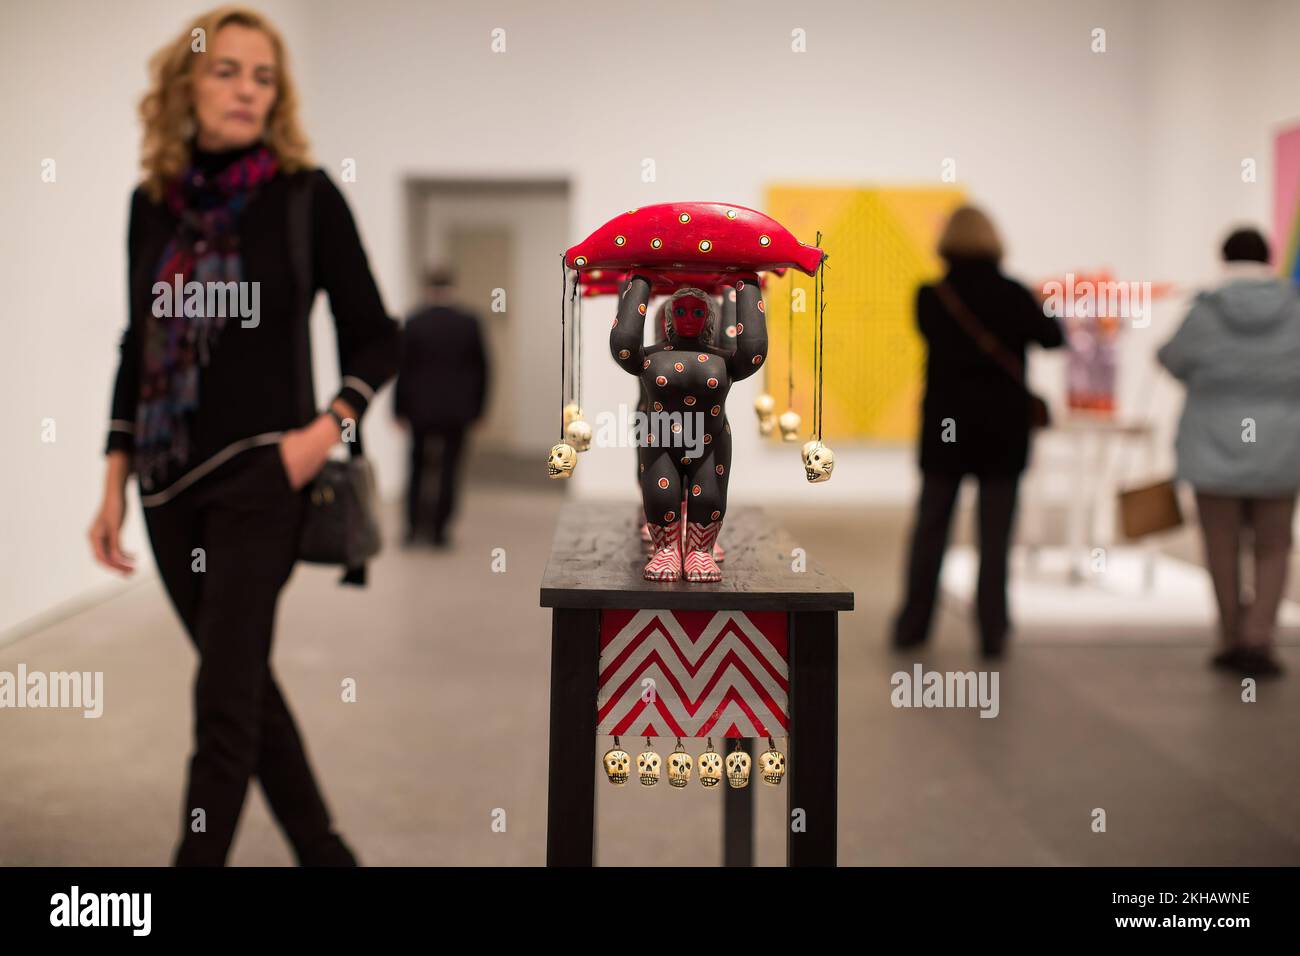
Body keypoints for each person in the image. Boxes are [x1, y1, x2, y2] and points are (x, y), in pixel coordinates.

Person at [86, 6, 399, 865]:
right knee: (244, 690)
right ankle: (327, 852)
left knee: (221, 703)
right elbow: (137, 343)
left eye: (263, 76)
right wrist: (113, 481)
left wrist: (322, 430)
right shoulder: (150, 206)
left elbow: (378, 332)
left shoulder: (304, 196)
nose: (246, 89)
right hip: (164, 486)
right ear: (186, 81)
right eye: (226, 69)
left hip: (264, 483)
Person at [891, 206, 1064, 658]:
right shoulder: (1015, 294)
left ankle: (913, 624)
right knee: (995, 536)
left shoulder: (931, 295)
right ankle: (992, 631)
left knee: (931, 529)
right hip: (1003, 433)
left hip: (946, 430)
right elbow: (1053, 338)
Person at [1157, 227, 1300, 678]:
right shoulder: (1295, 309)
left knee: (1221, 544)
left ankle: (1230, 635)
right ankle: (1259, 637)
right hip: (1281, 444)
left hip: (1213, 443)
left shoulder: (1205, 312)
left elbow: (1171, 359)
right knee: (1274, 545)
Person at [394, 268, 489, 546]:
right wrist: (479, 409)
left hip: (419, 408)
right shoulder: (468, 322)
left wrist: (398, 409)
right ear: (453, 286)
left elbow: (403, 369)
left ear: (426, 286)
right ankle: (439, 532)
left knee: (417, 468)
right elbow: (482, 369)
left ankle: (413, 529)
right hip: (456, 410)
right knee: (450, 468)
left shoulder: (414, 321)